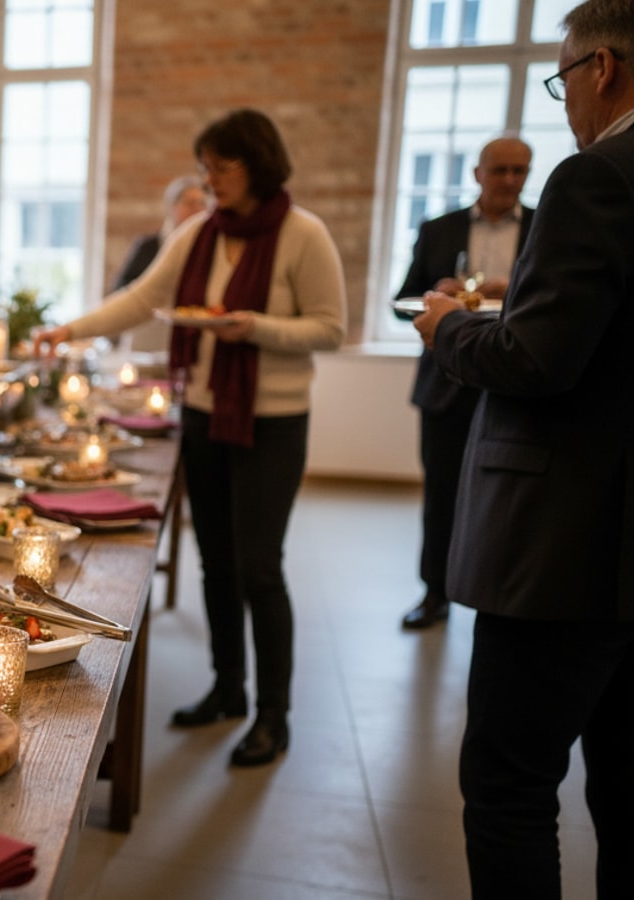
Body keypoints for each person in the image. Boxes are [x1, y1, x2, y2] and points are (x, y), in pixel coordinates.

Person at [34, 109, 346, 767]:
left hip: (273, 422)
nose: (210, 181)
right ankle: (228, 688)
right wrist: (72, 329)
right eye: (205, 167)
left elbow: (329, 328)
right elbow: (145, 298)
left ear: (257, 166)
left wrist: (252, 326)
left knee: (260, 567)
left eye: (221, 168)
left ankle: (274, 714)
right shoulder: (200, 233)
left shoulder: (303, 234)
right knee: (216, 561)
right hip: (204, 415)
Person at [412, 2, 634, 895]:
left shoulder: (595, 177)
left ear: (603, 69)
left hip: (568, 544)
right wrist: (526, 294)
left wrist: (449, 326)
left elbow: (537, 360)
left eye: (564, 80)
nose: (567, 103)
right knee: (621, 785)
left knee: (507, 784)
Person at [393, 136, 534, 631]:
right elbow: (400, 301)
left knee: (513, 503)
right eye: (501, 171)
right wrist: (437, 296)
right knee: (441, 494)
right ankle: (435, 594)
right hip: (446, 383)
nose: (510, 181)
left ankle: (502, 600)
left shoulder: (543, 228)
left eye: (520, 171)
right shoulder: (439, 229)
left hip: (512, 384)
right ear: (478, 174)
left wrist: (511, 293)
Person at [113, 174, 210, 353]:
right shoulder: (148, 246)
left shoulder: (210, 248)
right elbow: (123, 290)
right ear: (172, 207)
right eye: (190, 203)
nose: (198, 209)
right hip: (148, 336)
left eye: (202, 203)